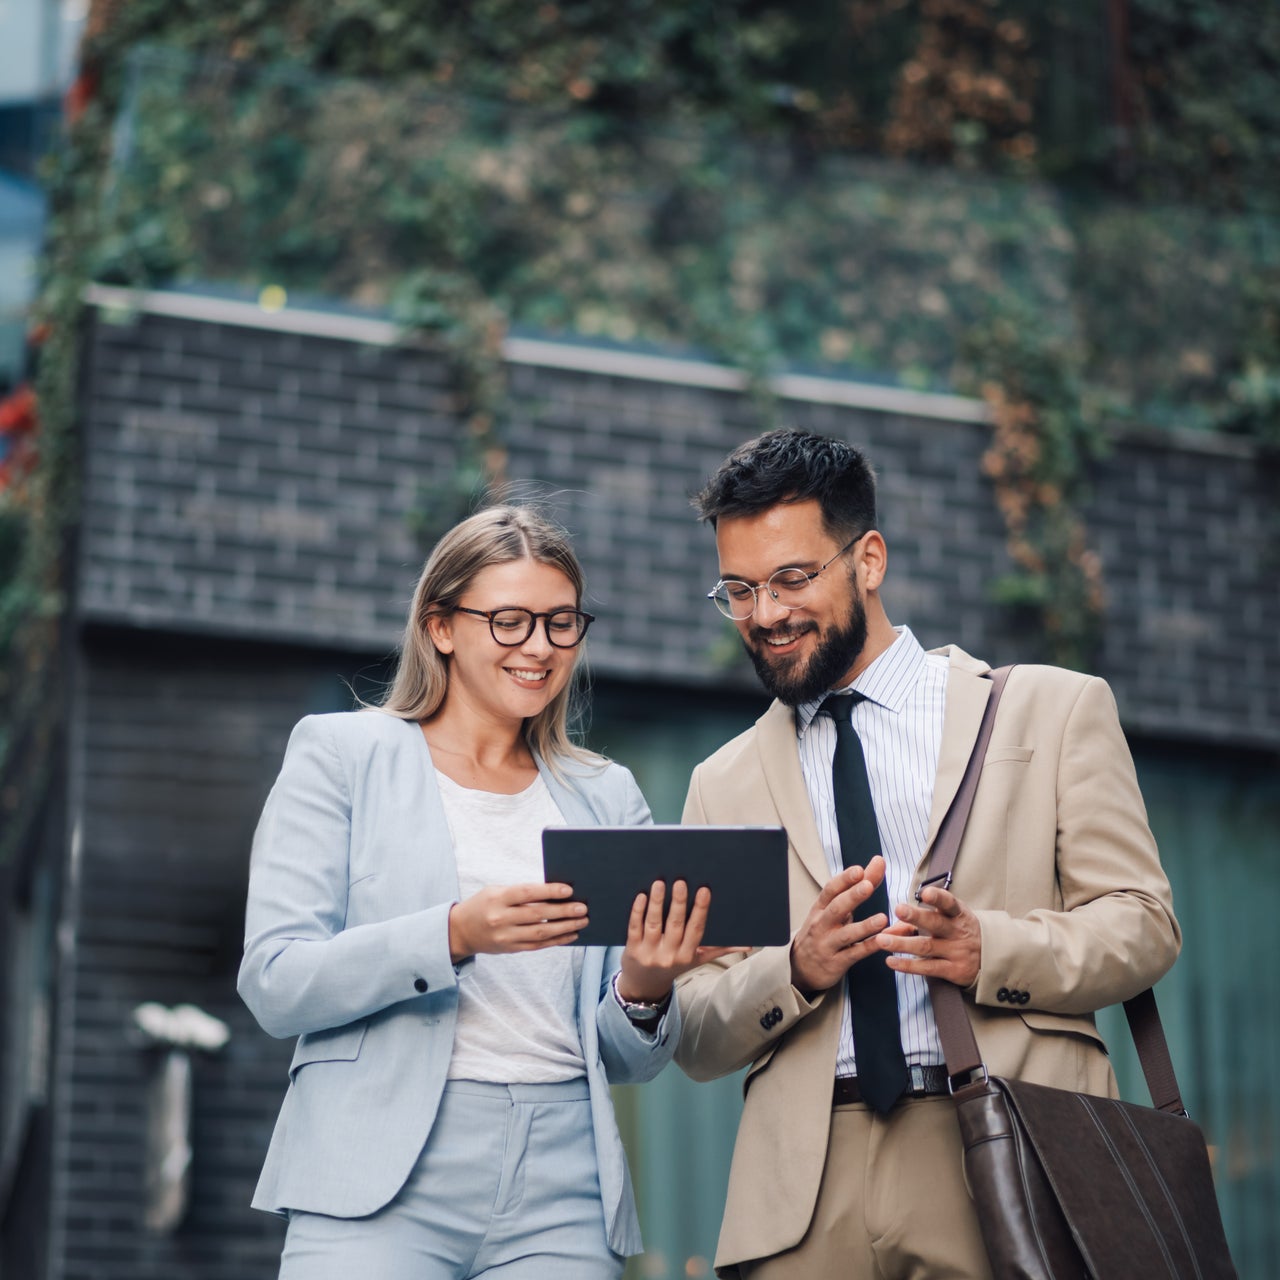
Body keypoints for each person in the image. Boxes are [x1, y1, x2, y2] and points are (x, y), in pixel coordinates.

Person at [673, 429, 1181, 1280]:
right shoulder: (719, 782)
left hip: (1009, 1150)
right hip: (801, 1191)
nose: (764, 615)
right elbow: (692, 1030)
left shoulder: (1050, 712)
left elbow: (1144, 925)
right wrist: (794, 970)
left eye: (792, 579)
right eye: (739, 590)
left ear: (867, 560)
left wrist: (993, 949)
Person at [239, 503, 726, 1279]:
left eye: (561, 623)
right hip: (377, 1173)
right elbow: (275, 982)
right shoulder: (341, 755)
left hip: (564, 1180)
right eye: (509, 622)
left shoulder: (606, 795)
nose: (540, 647)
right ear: (440, 626)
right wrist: (455, 932)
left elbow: (625, 1059)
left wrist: (647, 982)